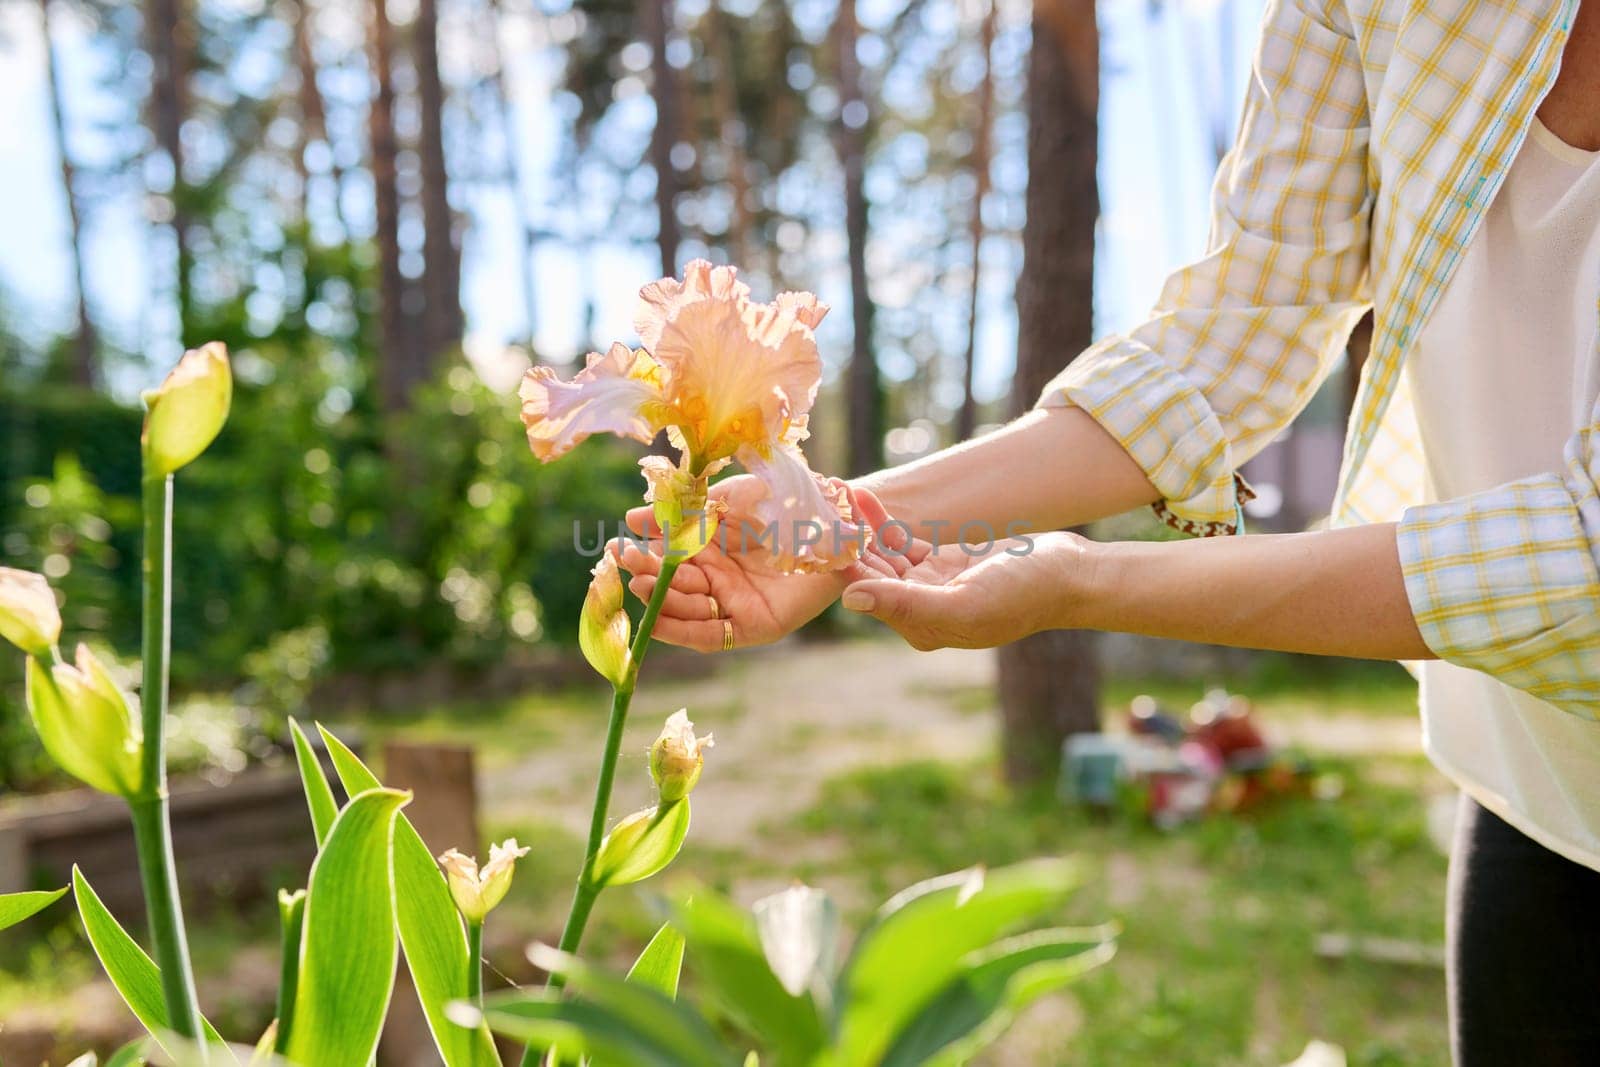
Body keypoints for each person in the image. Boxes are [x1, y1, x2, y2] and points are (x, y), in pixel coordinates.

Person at [618, 0, 1600, 1061]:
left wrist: (1085, 583)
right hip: (1541, 786)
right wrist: (848, 521)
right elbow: (1236, 328)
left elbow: (1580, 557)